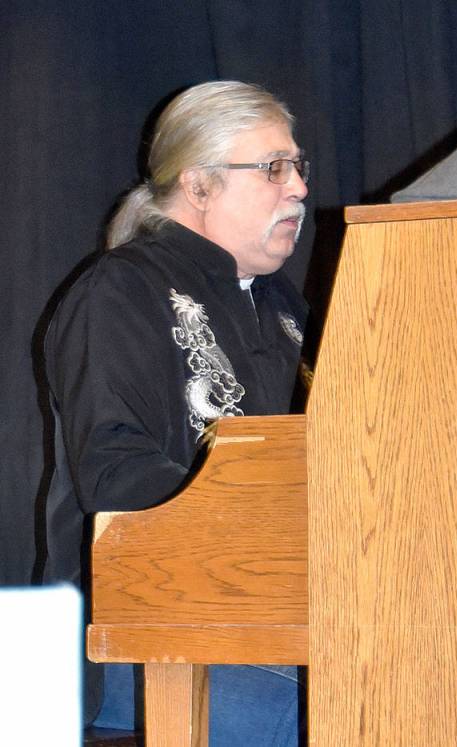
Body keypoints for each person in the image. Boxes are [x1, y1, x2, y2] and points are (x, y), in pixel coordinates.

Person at [43, 80, 310, 745]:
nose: (300, 187)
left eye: (299, 166)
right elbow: (115, 471)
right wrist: (276, 518)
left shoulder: (285, 311)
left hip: (272, 621)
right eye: (274, 167)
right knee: (368, 703)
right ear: (198, 186)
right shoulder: (118, 292)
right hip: (127, 644)